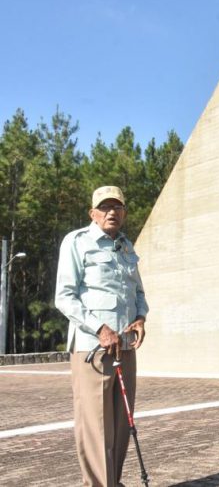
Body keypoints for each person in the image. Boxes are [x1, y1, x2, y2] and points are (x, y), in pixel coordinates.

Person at [55, 185, 149, 487]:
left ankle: (113, 482)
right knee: (96, 424)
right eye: (105, 207)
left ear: (124, 212)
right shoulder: (77, 242)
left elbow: (138, 291)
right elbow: (65, 297)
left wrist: (140, 318)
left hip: (125, 346)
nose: (112, 212)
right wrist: (99, 329)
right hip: (92, 349)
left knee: (122, 424)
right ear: (92, 213)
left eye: (117, 207)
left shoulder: (126, 246)